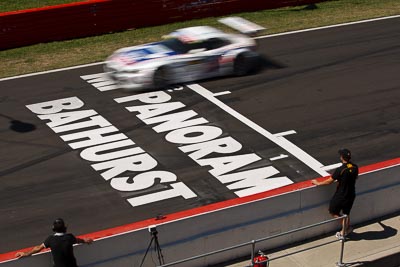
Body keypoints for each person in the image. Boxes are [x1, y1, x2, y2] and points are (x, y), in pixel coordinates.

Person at [312, 148, 358, 239]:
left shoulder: (340, 169)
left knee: (332, 211)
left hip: (341, 195)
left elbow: (329, 181)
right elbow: (355, 178)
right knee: (346, 213)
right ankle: (346, 229)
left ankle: (344, 231)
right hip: (351, 194)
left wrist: (318, 183)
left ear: (342, 157)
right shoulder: (355, 167)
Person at [15, 218, 93, 267]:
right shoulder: (69, 237)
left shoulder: (50, 239)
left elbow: (38, 248)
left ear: (53, 229)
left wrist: (25, 253)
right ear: (65, 228)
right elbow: (79, 240)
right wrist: (86, 241)